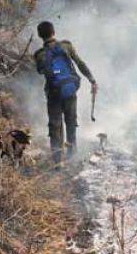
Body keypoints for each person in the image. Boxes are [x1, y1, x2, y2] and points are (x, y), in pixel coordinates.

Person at [34, 21, 97, 164]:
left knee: (55, 125)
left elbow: (40, 71)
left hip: (53, 94)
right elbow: (80, 63)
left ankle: (57, 161)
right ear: (54, 31)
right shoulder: (66, 46)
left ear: (39, 35)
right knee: (71, 122)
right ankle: (72, 155)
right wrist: (92, 80)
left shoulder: (39, 55)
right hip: (70, 91)